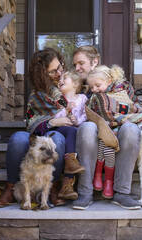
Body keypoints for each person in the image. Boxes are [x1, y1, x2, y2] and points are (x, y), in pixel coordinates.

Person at [0, 48, 72, 208]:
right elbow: (32, 126)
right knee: (18, 139)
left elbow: (75, 111)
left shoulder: (70, 85)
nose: (59, 73)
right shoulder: (36, 97)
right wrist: (52, 122)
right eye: (52, 72)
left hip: (60, 134)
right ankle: (11, 187)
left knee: (57, 139)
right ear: (42, 75)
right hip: (38, 135)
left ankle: (53, 187)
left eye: (60, 67)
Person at [72, 45, 142, 210]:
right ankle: (85, 192)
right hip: (92, 138)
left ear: (94, 62)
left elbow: (135, 108)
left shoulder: (122, 86)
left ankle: (122, 192)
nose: (77, 68)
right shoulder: (77, 87)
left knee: (131, 129)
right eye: (75, 64)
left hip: (119, 132)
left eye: (80, 63)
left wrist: (120, 119)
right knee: (87, 127)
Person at [86, 65, 142, 200]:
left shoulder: (123, 89)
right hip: (105, 129)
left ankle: (113, 184)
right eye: (92, 88)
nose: (94, 90)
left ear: (109, 80)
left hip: (122, 127)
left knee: (125, 133)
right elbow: (93, 112)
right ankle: (99, 176)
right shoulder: (95, 97)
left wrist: (121, 111)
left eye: (97, 85)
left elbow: (133, 106)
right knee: (106, 145)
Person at [54, 71, 87, 200]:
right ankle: (67, 182)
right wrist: (65, 110)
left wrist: (77, 121)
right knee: (71, 133)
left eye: (64, 78)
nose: (60, 80)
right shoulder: (58, 99)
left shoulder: (82, 98)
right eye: (60, 79)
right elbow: (53, 118)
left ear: (75, 84)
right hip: (62, 129)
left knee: (73, 133)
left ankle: (67, 186)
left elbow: (86, 114)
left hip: (77, 130)